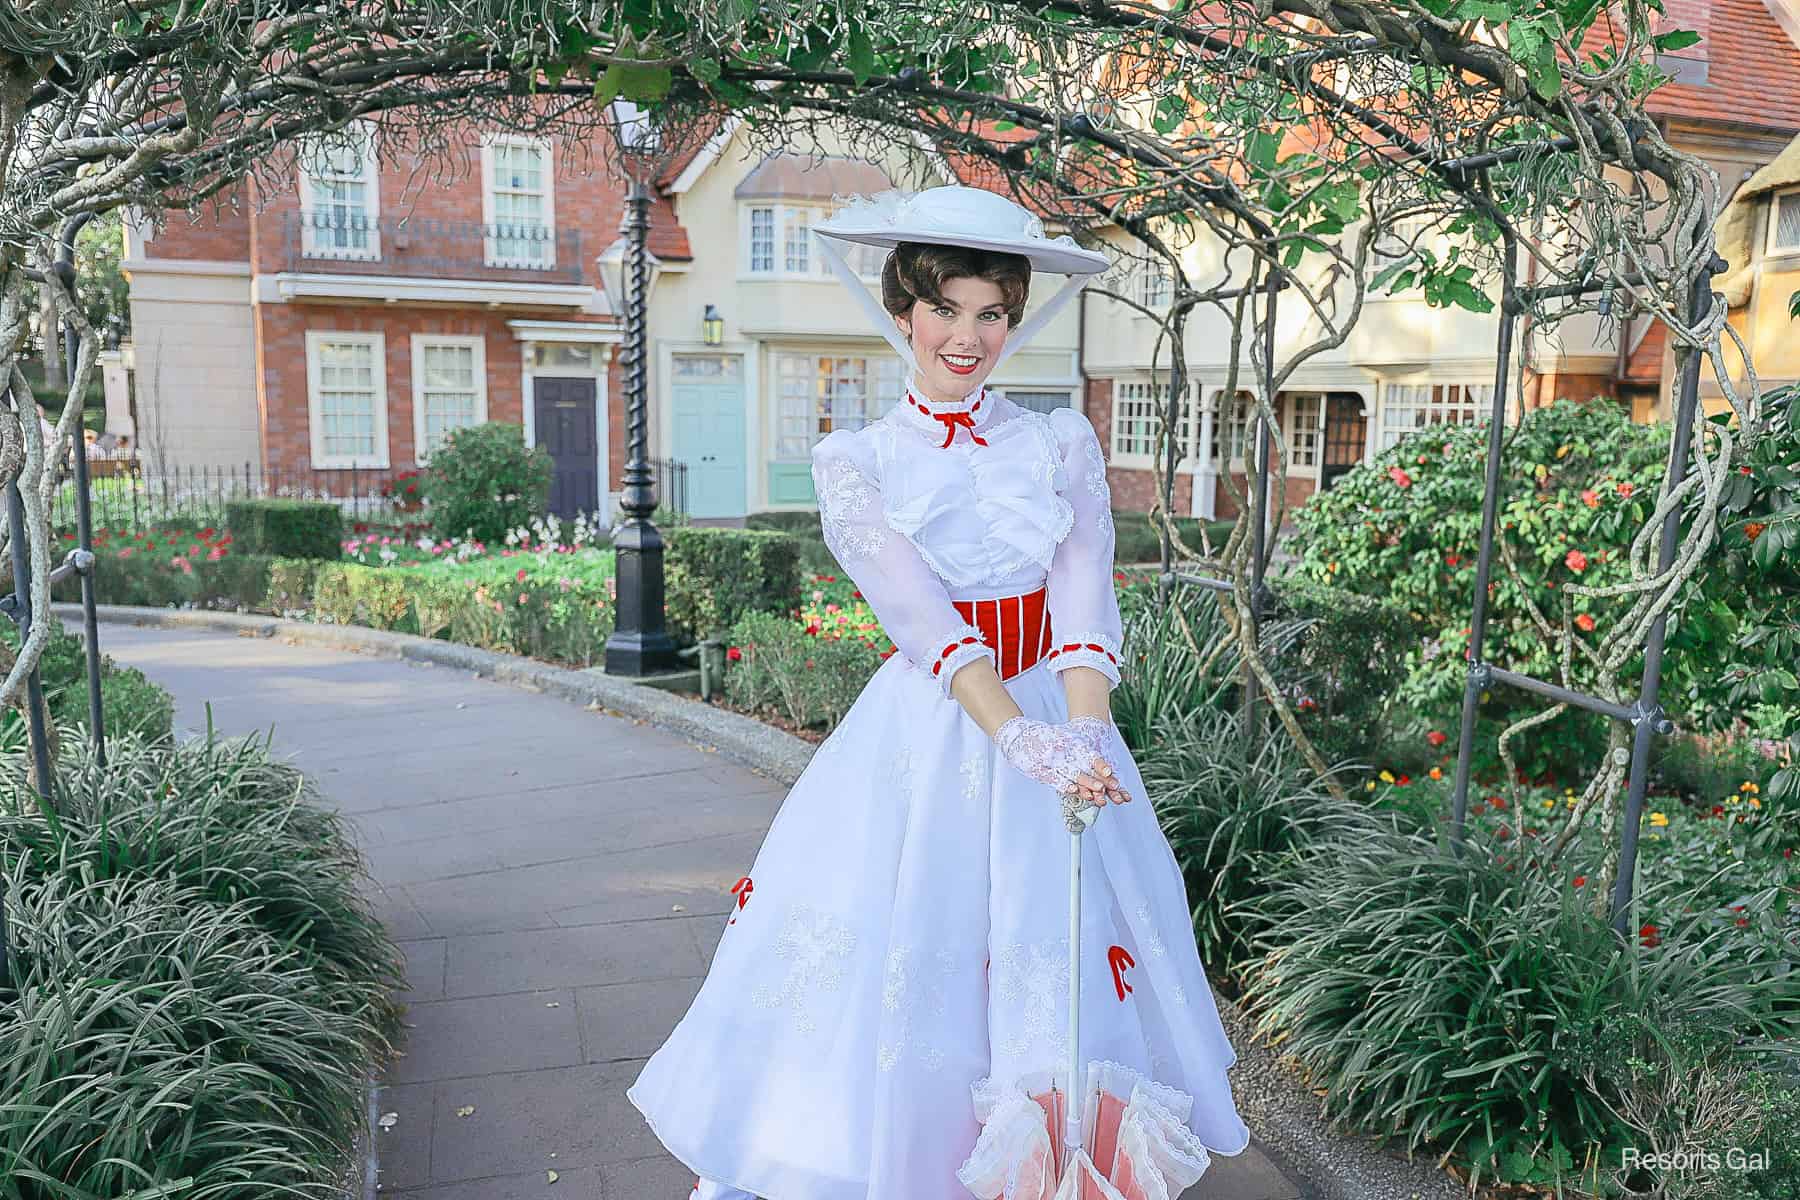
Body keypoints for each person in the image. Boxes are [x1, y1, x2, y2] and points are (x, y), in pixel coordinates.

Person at [626, 185, 1251, 1199]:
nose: (967, 337)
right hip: (941, 725)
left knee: (1060, 953)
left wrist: (1083, 734)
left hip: (1058, 707)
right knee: (910, 948)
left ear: (1013, 317)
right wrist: (1019, 743)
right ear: (906, 312)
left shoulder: (1061, 444)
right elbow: (924, 622)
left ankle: (1055, 1161)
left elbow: (1084, 588)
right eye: (946, 310)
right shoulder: (858, 462)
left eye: (991, 314)